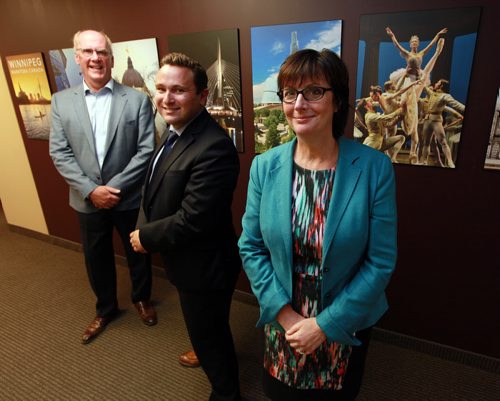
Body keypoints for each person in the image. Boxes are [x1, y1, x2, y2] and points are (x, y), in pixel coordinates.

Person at [238, 49, 398, 401]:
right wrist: (284, 314)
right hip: (284, 316)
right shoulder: (265, 166)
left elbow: (380, 261)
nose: (299, 104)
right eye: (290, 93)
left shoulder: (373, 168)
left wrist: (326, 325)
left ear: (337, 100)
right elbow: (250, 246)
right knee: (280, 393)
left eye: (313, 91)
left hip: (345, 318)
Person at [129, 52, 241, 401]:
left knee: (210, 335)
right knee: (206, 327)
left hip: (205, 266)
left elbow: (195, 219)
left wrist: (144, 236)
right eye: (160, 88)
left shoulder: (214, 147)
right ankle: (204, 348)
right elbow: (153, 187)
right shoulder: (176, 129)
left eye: (178, 90)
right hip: (185, 260)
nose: (166, 98)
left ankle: (226, 393)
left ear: (203, 96)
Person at [49, 30, 157, 345]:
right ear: (77, 58)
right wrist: (91, 190)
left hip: (128, 197)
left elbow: (146, 150)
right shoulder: (60, 102)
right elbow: (60, 153)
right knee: (96, 258)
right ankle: (106, 308)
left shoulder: (136, 99)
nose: (96, 58)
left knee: (138, 251)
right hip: (87, 200)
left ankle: (142, 298)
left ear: (110, 57)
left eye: (102, 52)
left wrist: (113, 188)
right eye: (88, 52)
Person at [420, 79, 465, 167]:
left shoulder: (445, 96)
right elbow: (424, 87)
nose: (436, 84)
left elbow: (455, 104)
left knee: (443, 141)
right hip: (427, 120)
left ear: (441, 86)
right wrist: (418, 76)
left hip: (436, 120)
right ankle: (424, 160)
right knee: (426, 142)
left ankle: (450, 161)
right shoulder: (433, 94)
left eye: (437, 83)